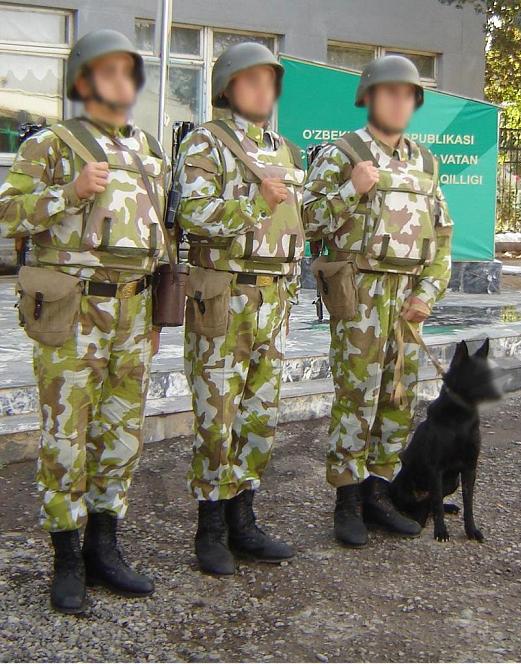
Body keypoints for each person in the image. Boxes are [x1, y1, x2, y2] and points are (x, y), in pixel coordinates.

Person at [0, 29, 168, 613]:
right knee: (66, 437)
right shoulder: (50, 144)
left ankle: (106, 546)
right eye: (108, 70)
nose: (122, 81)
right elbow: (7, 213)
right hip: (73, 309)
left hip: (132, 308)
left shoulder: (148, 149)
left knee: (121, 434)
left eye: (129, 71)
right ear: (84, 80)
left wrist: (158, 315)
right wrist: (69, 191)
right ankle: (66, 557)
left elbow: (161, 239)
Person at [303, 55, 454, 547]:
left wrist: (426, 295)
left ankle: (378, 492)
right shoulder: (342, 153)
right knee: (356, 396)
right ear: (368, 97)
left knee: (398, 397)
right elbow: (306, 222)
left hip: (408, 298)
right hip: (361, 294)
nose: (398, 101)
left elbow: (443, 237)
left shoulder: (426, 162)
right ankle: (346, 501)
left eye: (407, 93)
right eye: (388, 91)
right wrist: (352, 188)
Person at [175, 42, 303, 575]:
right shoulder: (206, 142)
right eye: (250, 81)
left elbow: (297, 223)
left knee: (260, 416)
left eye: (269, 81)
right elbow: (193, 213)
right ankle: (209, 526)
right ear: (227, 87)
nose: (262, 90)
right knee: (216, 415)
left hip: (273, 300)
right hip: (224, 298)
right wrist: (257, 203)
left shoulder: (285, 149)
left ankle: (243, 519)